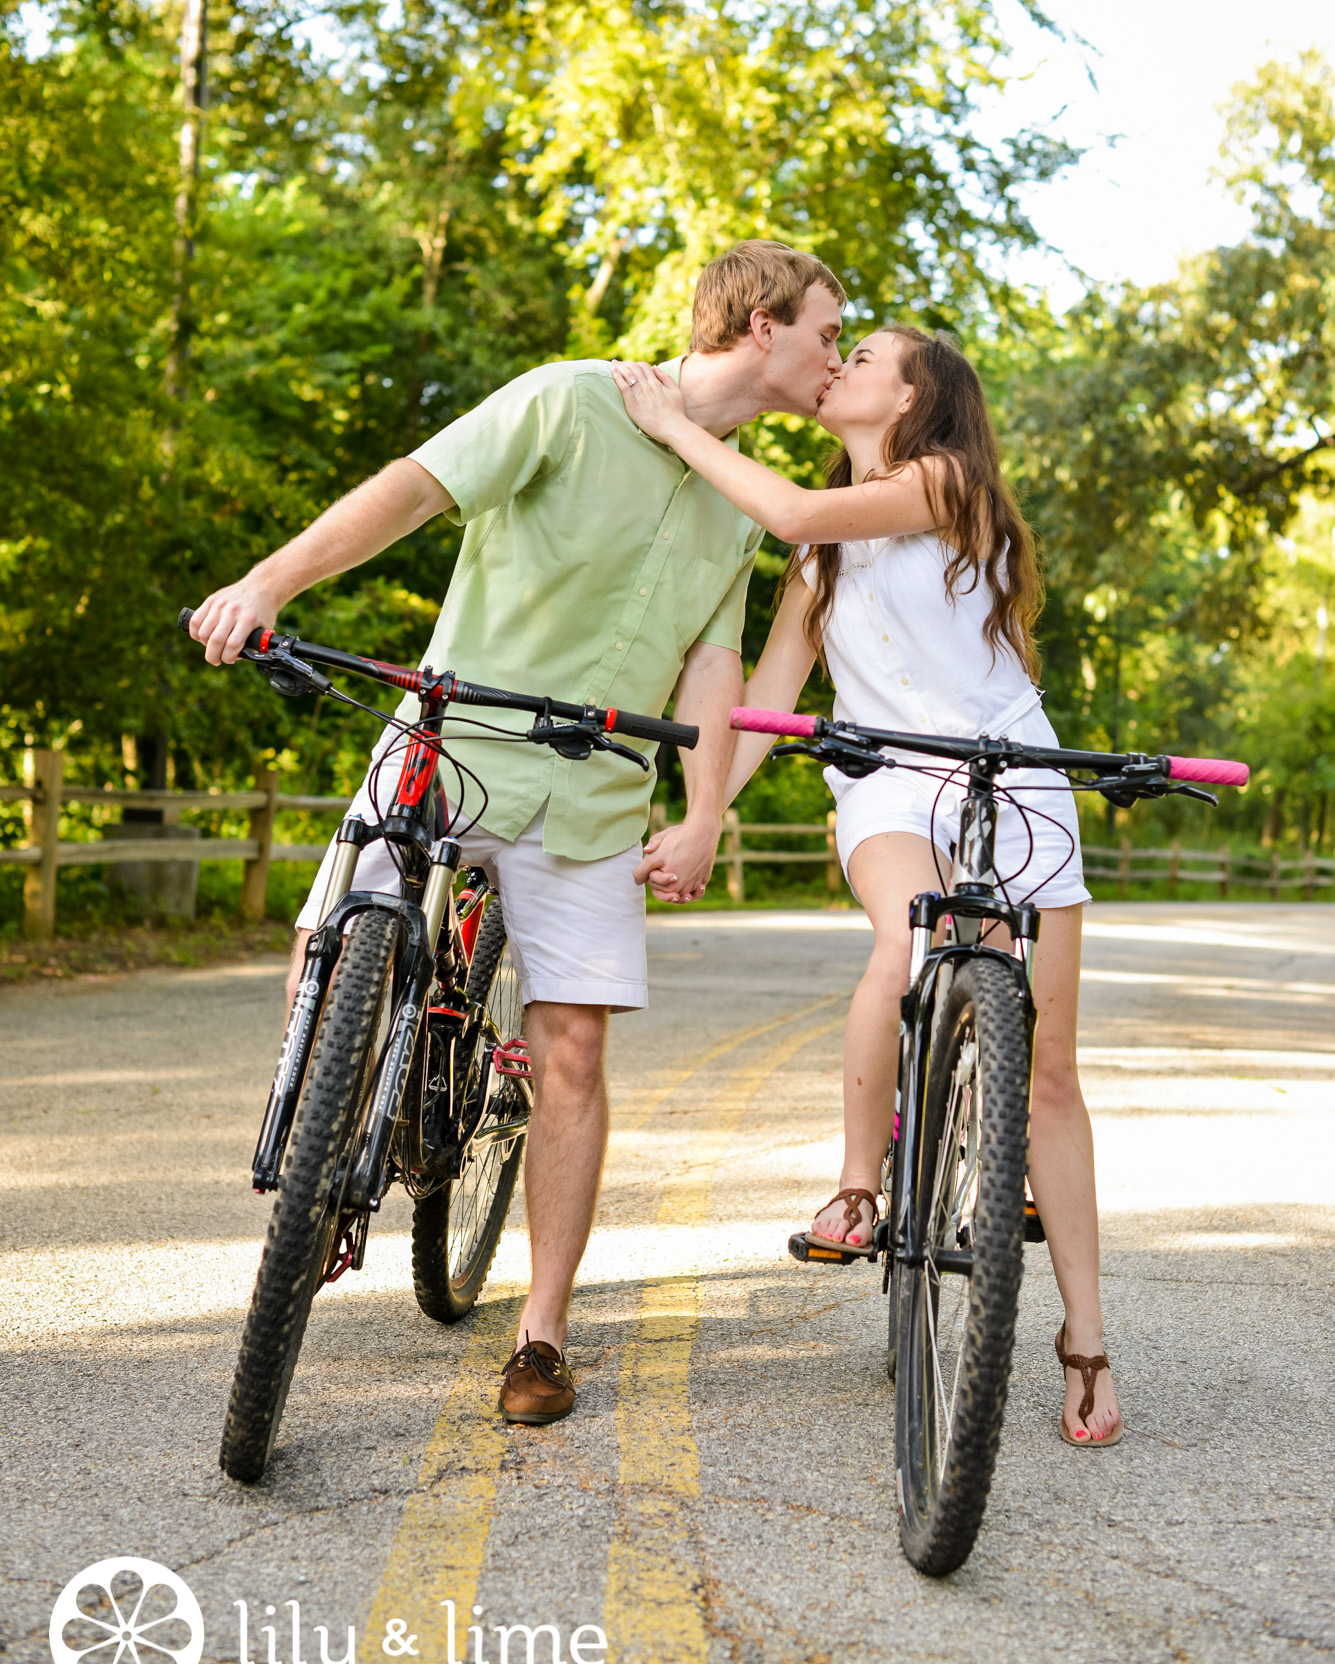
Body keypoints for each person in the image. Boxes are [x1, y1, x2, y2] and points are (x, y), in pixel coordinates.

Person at [188, 240, 846, 1427]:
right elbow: (415, 485)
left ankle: (541, 1330)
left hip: (593, 790)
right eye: (827, 333)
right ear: (761, 327)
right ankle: (320, 1113)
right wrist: (269, 583)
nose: (836, 358)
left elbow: (712, 659)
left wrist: (702, 813)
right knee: (334, 933)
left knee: (574, 1052)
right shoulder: (566, 398)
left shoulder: (742, 497)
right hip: (451, 734)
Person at [611, 326, 1122, 1448]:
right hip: (891, 784)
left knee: (1048, 1071)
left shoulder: (944, 481)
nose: (838, 365)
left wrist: (675, 421)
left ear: (917, 397)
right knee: (908, 937)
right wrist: (703, 815)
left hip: (1017, 775)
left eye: (868, 355)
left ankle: (1084, 1336)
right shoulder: (817, 560)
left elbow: (793, 507)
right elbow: (766, 698)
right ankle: (858, 1182)